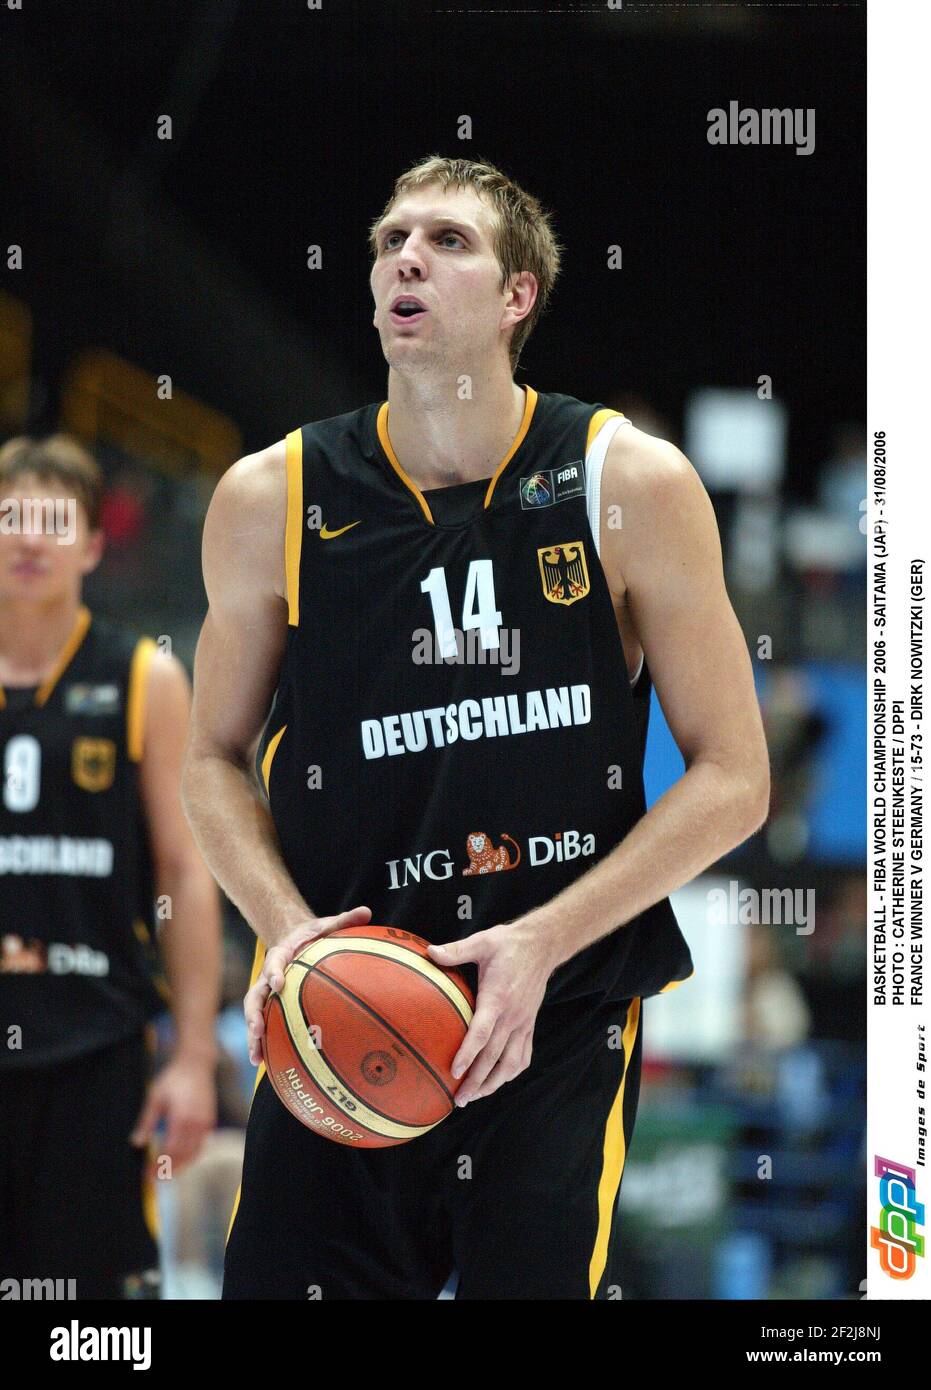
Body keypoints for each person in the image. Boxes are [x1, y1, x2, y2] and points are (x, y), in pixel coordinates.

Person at [182, 154, 770, 1300]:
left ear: (517, 297)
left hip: (554, 1015)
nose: (405, 255)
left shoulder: (625, 484)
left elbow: (734, 779)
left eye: (447, 240)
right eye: (389, 238)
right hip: (346, 999)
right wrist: (287, 929)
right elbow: (209, 759)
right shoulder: (271, 498)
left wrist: (545, 940)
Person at [0, 434, 221, 1299]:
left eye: (53, 520)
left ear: (93, 544)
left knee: (90, 1314)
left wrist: (195, 1055)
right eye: (11, 517)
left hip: (95, 1048)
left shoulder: (143, 677)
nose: (28, 538)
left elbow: (184, 868)